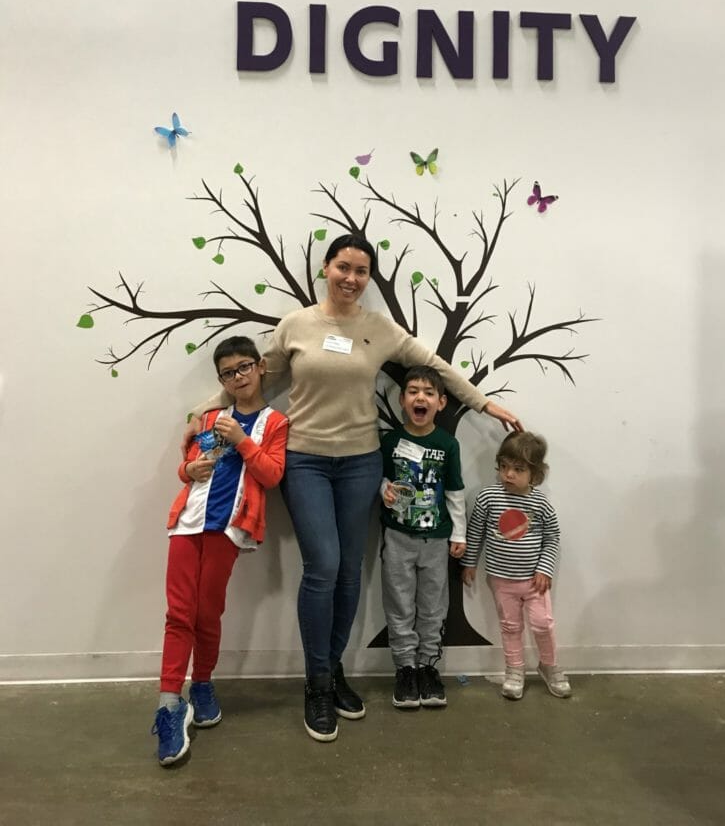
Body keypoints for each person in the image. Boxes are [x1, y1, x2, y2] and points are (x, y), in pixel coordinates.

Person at [190, 233, 522, 742]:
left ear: (368, 279)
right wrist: (205, 413)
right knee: (322, 567)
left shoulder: (379, 329)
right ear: (326, 268)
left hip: (362, 462)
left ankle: (333, 671)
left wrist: (483, 404)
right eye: (343, 267)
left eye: (361, 271)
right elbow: (254, 380)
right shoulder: (297, 325)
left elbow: (434, 366)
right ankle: (316, 682)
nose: (351, 278)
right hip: (304, 460)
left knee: (348, 570)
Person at [152, 336, 288, 766]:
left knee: (206, 614)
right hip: (186, 523)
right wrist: (187, 468)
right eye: (228, 373)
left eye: (244, 368)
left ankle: (203, 684)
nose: (238, 377)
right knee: (179, 614)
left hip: (228, 529)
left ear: (261, 367)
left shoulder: (275, 422)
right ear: (221, 380)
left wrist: (243, 441)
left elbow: (271, 477)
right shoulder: (208, 417)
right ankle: (169, 704)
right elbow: (186, 466)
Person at [460, 431, 571, 701]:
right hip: (501, 579)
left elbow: (552, 537)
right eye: (504, 467)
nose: (509, 474)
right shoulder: (488, 498)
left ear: (535, 474)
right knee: (510, 627)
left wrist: (544, 568)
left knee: (543, 624)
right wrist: (469, 562)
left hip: (534, 581)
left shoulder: (540, 502)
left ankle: (549, 665)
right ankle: (514, 670)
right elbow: (475, 532)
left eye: (518, 469)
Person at [379, 366, 466, 710]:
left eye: (429, 393)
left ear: (441, 402)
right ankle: (405, 669)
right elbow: (378, 478)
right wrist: (384, 490)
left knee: (433, 606)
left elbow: (456, 491)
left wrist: (459, 533)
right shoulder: (390, 441)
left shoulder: (447, 444)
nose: (420, 397)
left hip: (436, 540)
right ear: (402, 400)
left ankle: (429, 667)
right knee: (399, 604)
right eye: (413, 391)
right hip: (398, 536)